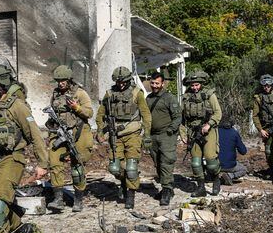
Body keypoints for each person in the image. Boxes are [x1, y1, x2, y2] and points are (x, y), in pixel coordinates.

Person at [0, 63, 48, 233]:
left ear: (3, 85)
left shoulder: (17, 106)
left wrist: (43, 164)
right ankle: (19, 228)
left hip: (11, 159)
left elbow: (35, 134)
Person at [95, 66, 152, 209]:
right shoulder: (109, 94)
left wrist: (147, 134)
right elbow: (101, 114)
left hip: (132, 133)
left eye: (123, 82)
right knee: (114, 168)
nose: (121, 85)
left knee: (131, 167)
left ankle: (130, 195)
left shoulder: (136, 93)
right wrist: (100, 131)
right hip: (115, 135)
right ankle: (125, 183)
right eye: (118, 82)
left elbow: (146, 115)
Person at [46, 65, 94, 213]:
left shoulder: (80, 93)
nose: (61, 83)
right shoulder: (55, 94)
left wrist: (76, 107)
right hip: (59, 133)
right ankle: (58, 199)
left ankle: (78, 200)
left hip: (77, 133)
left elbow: (89, 113)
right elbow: (52, 113)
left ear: (69, 80)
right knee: (55, 164)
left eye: (63, 80)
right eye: (58, 80)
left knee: (77, 167)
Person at [180, 70, 222, 196]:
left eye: (197, 85)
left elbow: (218, 113)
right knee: (195, 162)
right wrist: (183, 134)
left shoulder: (209, 95)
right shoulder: (186, 97)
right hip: (193, 132)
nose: (194, 88)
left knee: (210, 160)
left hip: (208, 130)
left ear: (202, 84)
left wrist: (209, 124)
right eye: (192, 85)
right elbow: (181, 118)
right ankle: (201, 187)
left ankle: (216, 179)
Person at [145, 71, 181, 206]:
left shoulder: (169, 98)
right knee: (158, 162)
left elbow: (178, 116)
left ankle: (167, 189)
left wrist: (172, 129)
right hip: (153, 135)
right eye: (152, 83)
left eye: (157, 83)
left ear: (162, 84)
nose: (154, 86)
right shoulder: (148, 99)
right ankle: (166, 187)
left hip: (167, 134)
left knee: (167, 161)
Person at [217, 117, 248, 183]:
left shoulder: (215, 132)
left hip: (216, 164)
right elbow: (243, 151)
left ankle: (213, 176)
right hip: (230, 165)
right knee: (243, 169)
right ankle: (230, 176)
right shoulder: (234, 133)